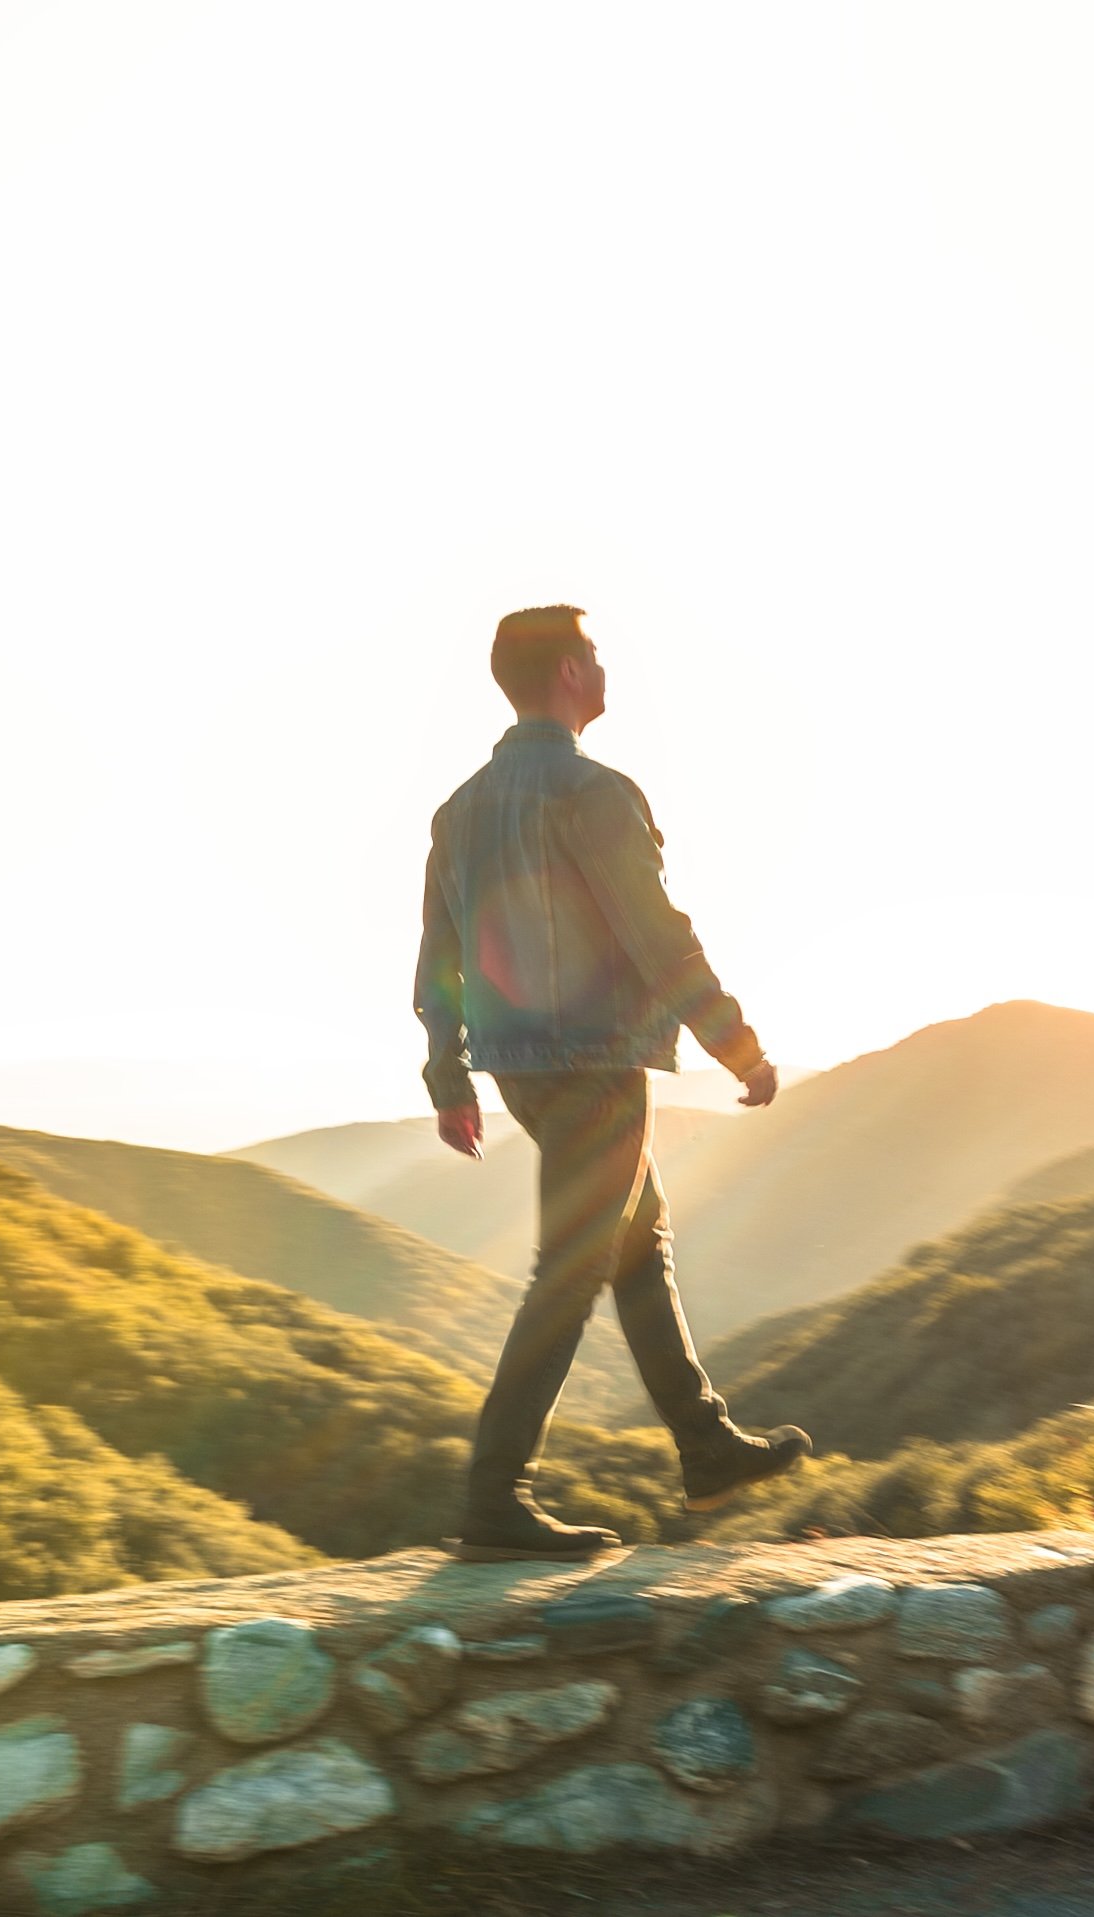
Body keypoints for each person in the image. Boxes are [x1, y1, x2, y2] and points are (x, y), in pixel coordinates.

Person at [414, 604, 810, 1562]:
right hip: (593, 1059)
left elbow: (440, 956)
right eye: (592, 655)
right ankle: (495, 1493)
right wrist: (738, 1046)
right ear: (564, 676)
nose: (603, 667)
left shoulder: (460, 808)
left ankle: (706, 1444)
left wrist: (448, 1073)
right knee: (575, 1265)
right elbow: (655, 931)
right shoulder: (596, 793)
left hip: (518, 1069)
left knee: (637, 1241)